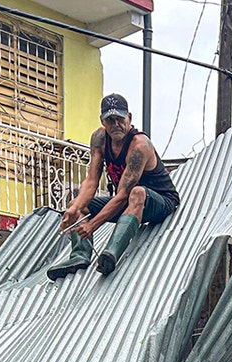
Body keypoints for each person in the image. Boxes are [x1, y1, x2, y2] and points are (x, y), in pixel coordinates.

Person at [48, 93, 181, 279]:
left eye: (120, 119)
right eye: (110, 120)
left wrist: (93, 225)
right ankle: (80, 255)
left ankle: (110, 254)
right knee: (77, 202)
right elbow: (92, 180)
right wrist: (74, 208)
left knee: (137, 192)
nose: (115, 124)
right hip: (128, 203)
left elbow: (122, 196)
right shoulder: (99, 139)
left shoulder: (139, 145)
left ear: (129, 118)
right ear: (102, 122)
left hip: (160, 201)